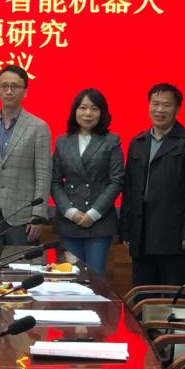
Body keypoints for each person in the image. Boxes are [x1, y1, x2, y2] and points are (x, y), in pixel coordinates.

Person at [119, 83, 185, 286]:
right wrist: (126, 230)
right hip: (141, 233)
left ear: (177, 109)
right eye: (155, 104)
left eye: (166, 105)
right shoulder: (138, 142)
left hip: (173, 235)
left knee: (170, 294)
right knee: (143, 293)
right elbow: (129, 190)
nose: (159, 110)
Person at [0, 65, 51, 245]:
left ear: (25, 91)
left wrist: (38, 214)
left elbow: (43, 174)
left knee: (19, 263)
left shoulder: (39, 127)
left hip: (22, 215)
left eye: (15, 86)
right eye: (4, 86)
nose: (9, 91)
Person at [50, 88, 124, 275]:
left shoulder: (111, 140)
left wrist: (93, 213)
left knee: (95, 276)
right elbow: (55, 181)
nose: (88, 113)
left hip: (99, 221)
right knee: (69, 276)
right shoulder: (62, 141)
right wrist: (70, 212)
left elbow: (116, 181)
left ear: (102, 113)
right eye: (83, 108)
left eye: (94, 109)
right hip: (69, 221)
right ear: (75, 111)